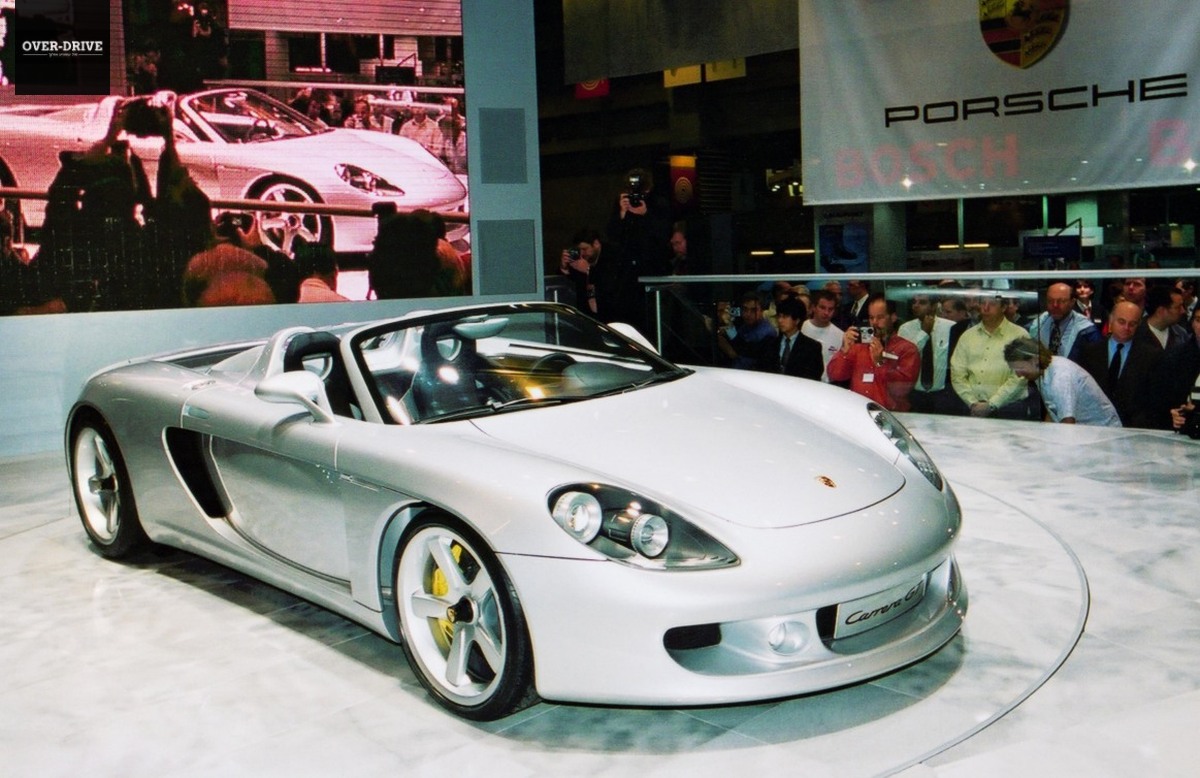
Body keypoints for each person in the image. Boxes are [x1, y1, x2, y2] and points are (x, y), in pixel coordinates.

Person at [1072, 300, 1159, 428]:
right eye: (1122, 322)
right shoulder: (1089, 352)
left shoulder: (1151, 356)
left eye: (1132, 324)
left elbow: (1152, 400)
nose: (1126, 328)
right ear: (1111, 320)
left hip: (1132, 428)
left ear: (1139, 325)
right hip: (1093, 426)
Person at [827, 296, 919, 411]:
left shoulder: (907, 349)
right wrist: (844, 350)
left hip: (890, 414)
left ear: (893, 317)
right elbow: (835, 375)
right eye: (871, 318)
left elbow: (901, 390)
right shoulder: (859, 346)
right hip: (859, 411)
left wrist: (879, 363)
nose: (874, 322)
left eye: (880, 317)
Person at [1004, 338, 1121, 427]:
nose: (1018, 374)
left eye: (1020, 368)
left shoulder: (1060, 377)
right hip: (1086, 432)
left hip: (1104, 434)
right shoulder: (1041, 372)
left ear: (1034, 361)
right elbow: (1053, 412)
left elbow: (1068, 424)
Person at [950, 293, 1032, 418]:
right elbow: (957, 373)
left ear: (1003, 307)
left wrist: (992, 404)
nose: (985, 308)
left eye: (992, 304)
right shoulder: (967, 336)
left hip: (1009, 409)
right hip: (971, 408)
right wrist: (972, 403)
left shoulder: (1020, 335)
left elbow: (1019, 378)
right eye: (983, 303)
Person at [897, 291, 958, 414]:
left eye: (922, 302)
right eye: (914, 302)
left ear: (934, 306)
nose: (916, 305)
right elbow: (905, 359)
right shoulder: (905, 329)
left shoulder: (950, 327)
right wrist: (924, 333)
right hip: (915, 395)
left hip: (943, 395)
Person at [1142, 305, 1200, 430]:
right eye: (1198, 320)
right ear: (1193, 323)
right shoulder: (1174, 358)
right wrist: (1172, 415)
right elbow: (1159, 404)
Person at [1025, 282, 1102, 360]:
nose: (1055, 305)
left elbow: (1096, 362)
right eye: (1050, 301)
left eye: (1061, 301)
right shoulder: (1041, 321)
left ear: (1072, 302)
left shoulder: (1087, 332)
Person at [716, 292, 776, 371]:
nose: (748, 314)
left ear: (762, 311)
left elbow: (745, 351)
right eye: (745, 309)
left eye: (753, 310)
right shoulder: (745, 326)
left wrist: (729, 328)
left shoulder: (767, 333)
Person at [770, 297, 824, 380]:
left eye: (785, 317)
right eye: (779, 316)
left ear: (797, 320)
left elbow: (814, 377)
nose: (780, 320)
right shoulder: (769, 343)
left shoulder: (812, 348)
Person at [801, 289, 844, 382]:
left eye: (830, 309)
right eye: (822, 307)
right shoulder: (802, 328)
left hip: (827, 385)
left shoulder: (840, 336)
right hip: (802, 382)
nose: (826, 313)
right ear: (813, 307)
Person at [1134, 284, 1187, 352]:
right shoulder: (1135, 333)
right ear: (1161, 311)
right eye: (1178, 307)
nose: (1183, 311)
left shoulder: (1181, 334)